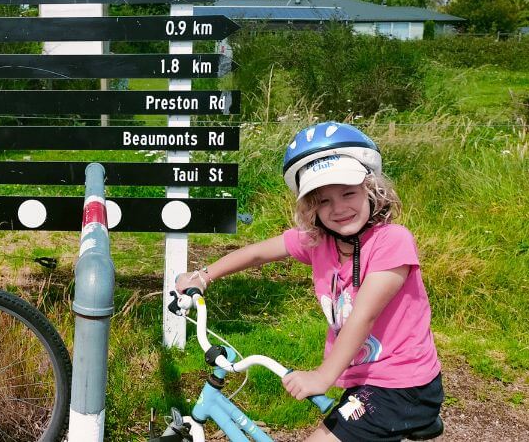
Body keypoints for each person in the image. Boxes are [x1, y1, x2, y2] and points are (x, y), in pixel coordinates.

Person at [175, 121, 443, 442]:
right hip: (365, 380)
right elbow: (259, 253)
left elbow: (363, 315)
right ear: (311, 208)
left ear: (371, 190)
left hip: (401, 386)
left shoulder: (392, 241)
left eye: (348, 193)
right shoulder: (319, 242)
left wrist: (322, 376)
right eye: (323, 200)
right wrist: (204, 275)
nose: (339, 207)